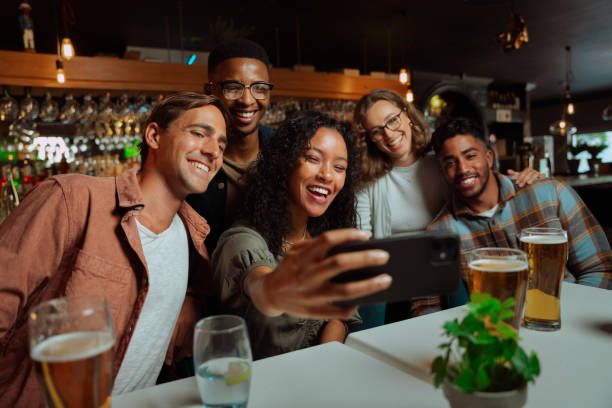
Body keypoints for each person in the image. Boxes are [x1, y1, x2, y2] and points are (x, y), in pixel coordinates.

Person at [0, 93, 391, 406]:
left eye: (220, 142)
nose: (212, 150)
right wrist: (272, 292)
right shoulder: (71, 199)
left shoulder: (192, 240)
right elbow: (254, 282)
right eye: (199, 133)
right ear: (154, 136)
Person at [352, 89, 541, 327]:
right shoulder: (367, 181)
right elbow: (362, 244)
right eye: (377, 131)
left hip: (445, 264)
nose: (389, 134)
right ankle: (362, 351)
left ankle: (466, 344)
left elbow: (481, 182)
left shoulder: (442, 161)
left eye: (392, 120)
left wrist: (525, 176)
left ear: (408, 115)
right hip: (392, 272)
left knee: (452, 271)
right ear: (370, 138)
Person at [212, 111, 385, 359]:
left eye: (339, 167)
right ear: (284, 163)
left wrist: (322, 363)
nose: (327, 175)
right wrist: (274, 289)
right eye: (313, 158)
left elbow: (338, 317)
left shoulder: (327, 237)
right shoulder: (242, 240)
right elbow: (261, 287)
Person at [428, 117, 612, 298]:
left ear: (489, 158)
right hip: (495, 326)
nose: (462, 169)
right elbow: (428, 304)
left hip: (564, 313)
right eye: (450, 163)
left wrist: (572, 317)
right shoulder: (440, 233)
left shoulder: (551, 193)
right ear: (442, 171)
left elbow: (600, 268)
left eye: (470, 156)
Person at [188, 38, 275, 254]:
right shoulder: (188, 157)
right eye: (233, 88)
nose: (247, 100)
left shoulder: (286, 152)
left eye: (260, 88)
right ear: (209, 91)